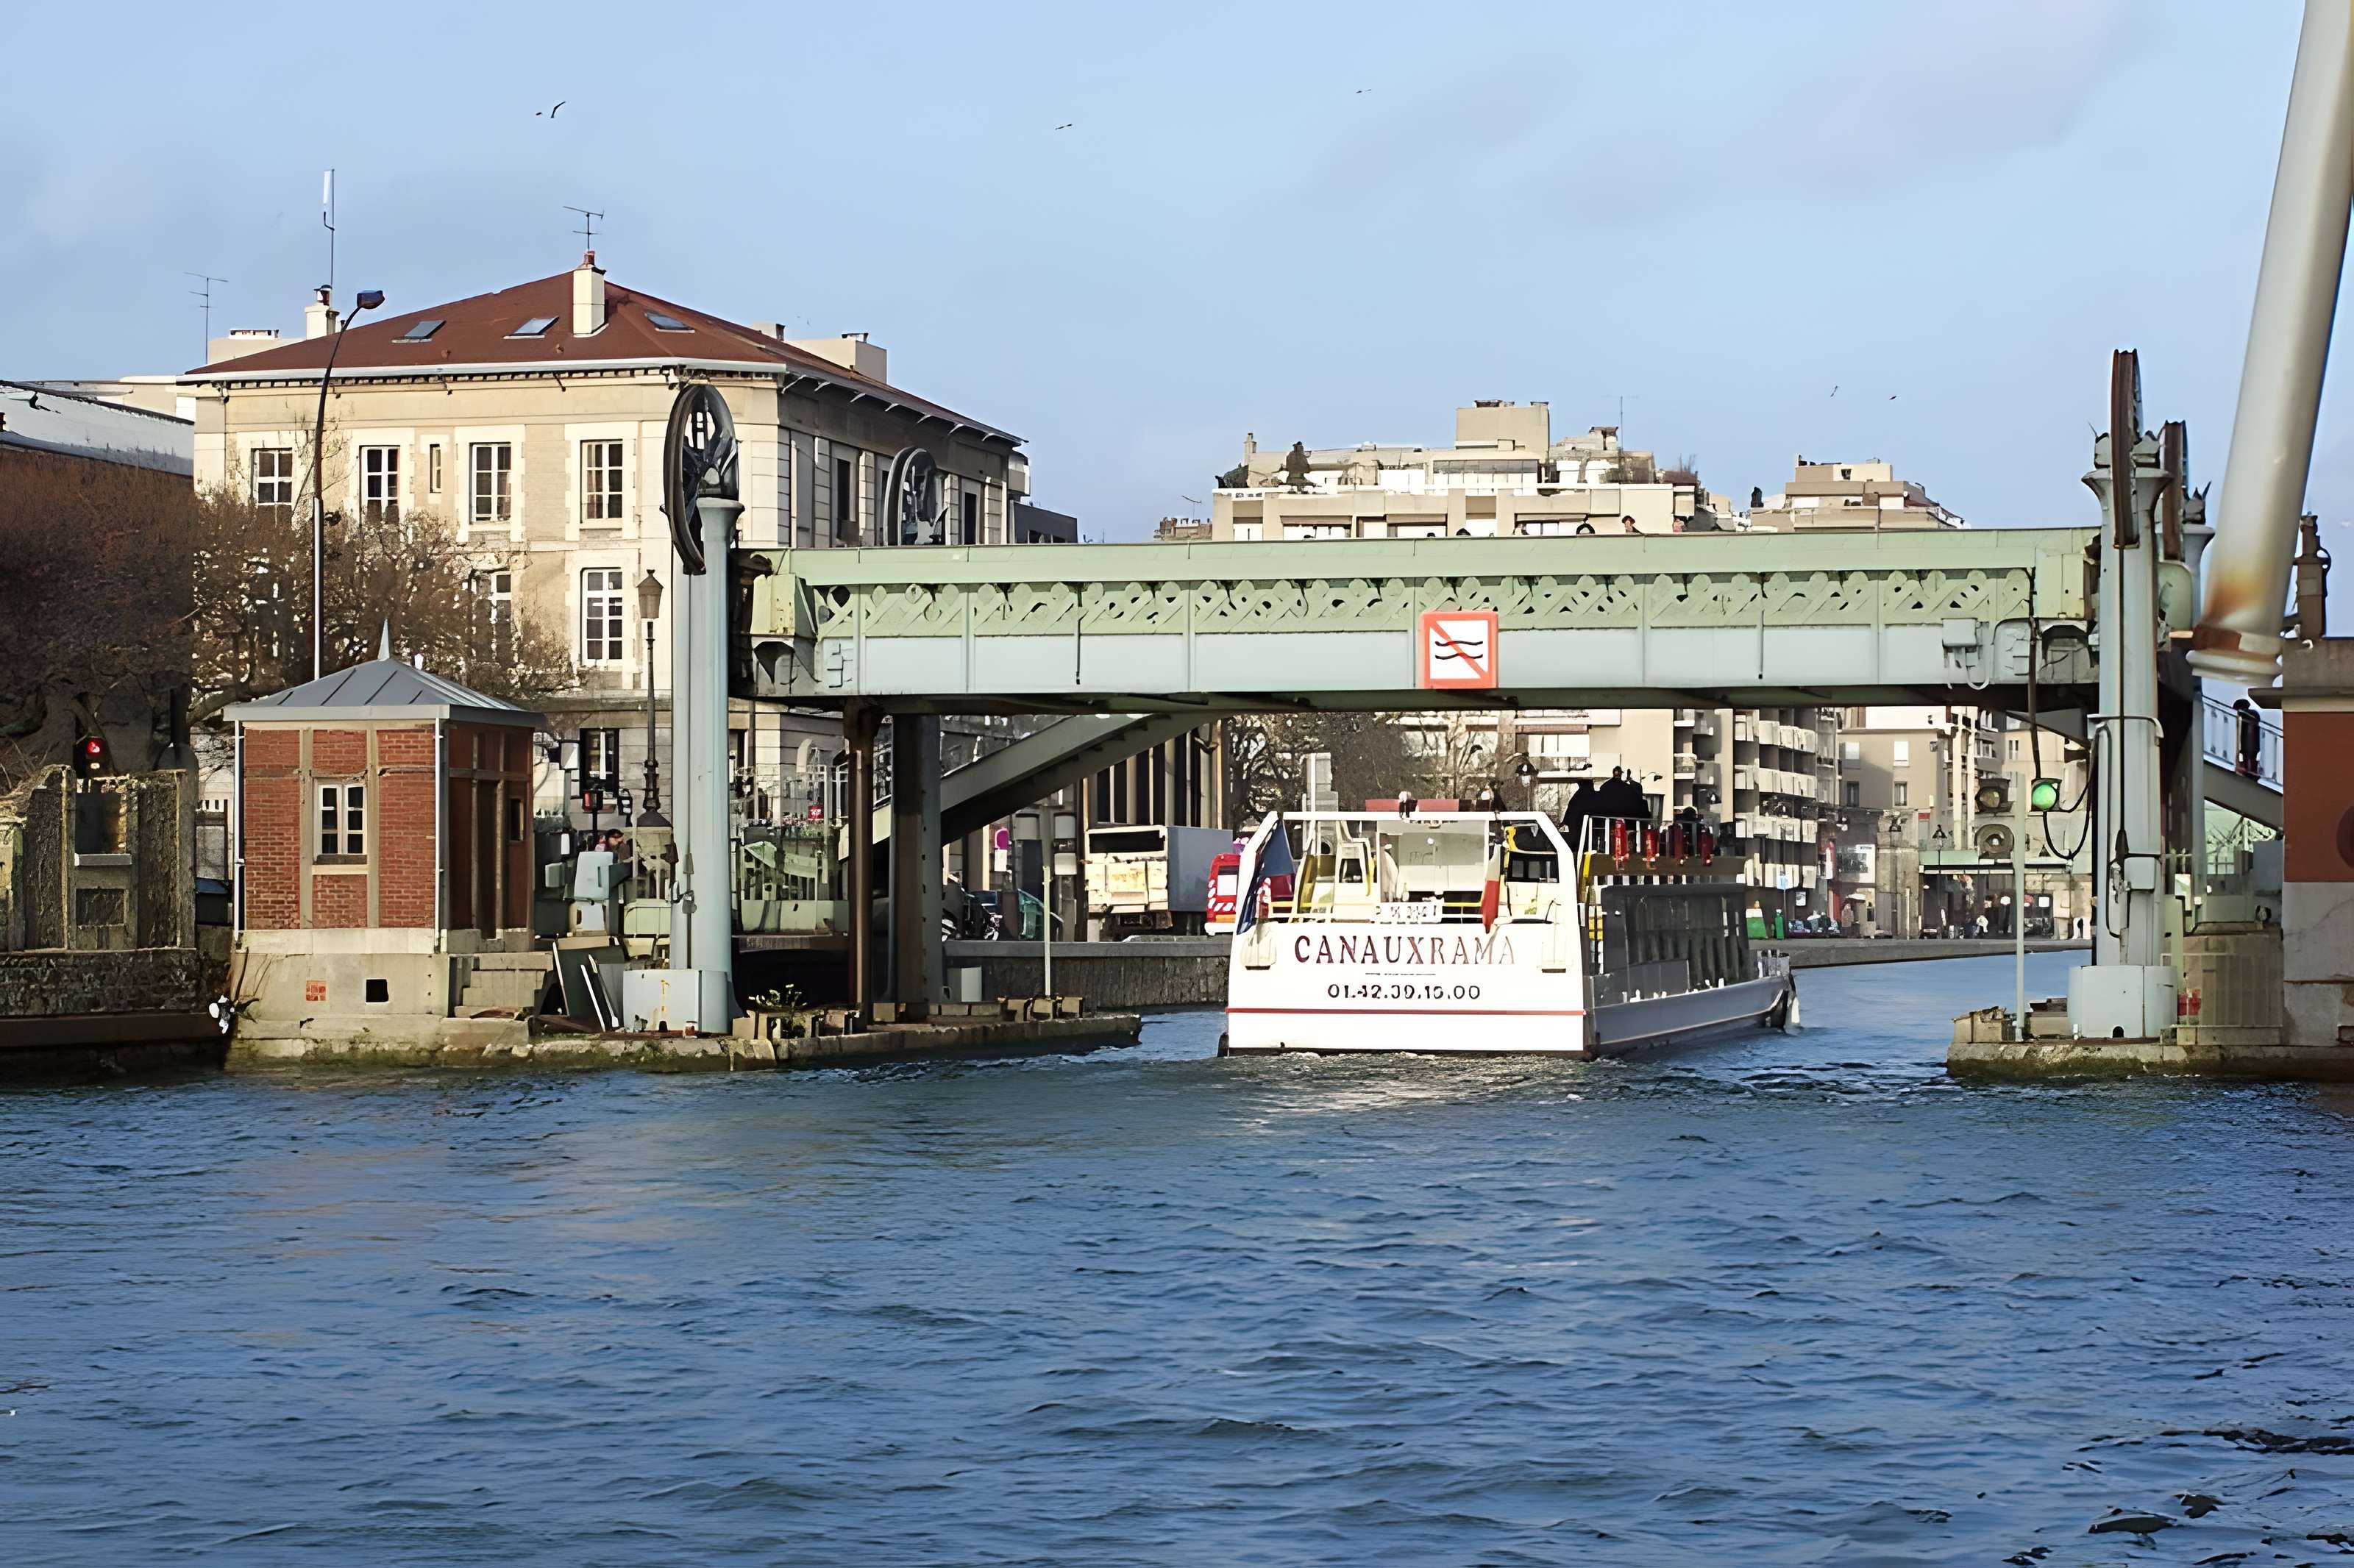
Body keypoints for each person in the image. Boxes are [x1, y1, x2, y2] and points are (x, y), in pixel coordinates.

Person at [1560, 777, 1601, 852]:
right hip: (1586, 831)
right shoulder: (1593, 796)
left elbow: (1570, 814)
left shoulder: (1577, 797)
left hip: (1579, 832)